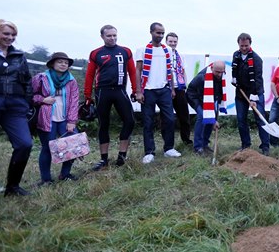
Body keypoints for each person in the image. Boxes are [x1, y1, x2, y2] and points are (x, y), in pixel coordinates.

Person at [0, 19, 33, 204]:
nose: (10, 37)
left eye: (13, 34)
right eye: (6, 33)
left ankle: (13, 187)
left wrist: (25, 103)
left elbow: (27, 81)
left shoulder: (19, 56)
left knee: (25, 144)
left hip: (15, 106)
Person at [84, 25, 138, 170]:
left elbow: (132, 72)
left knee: (130, 120)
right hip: (102, 92)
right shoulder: (96, 53)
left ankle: (122, 155)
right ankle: (104, 159)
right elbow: (89, 75)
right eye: (109, 36)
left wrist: (135, 90)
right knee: (104, 124)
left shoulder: (125, 51)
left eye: (115, 35)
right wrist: (87, 95)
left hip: (120, 91)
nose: (112, 38)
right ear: (102, 36)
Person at [135, 22, 182, 164]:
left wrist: (172, 88)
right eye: (158, 33)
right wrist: (138, 91)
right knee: (148, 122)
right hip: (148, 90)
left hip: (164, 90)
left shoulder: (167, 49)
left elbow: (170, 70)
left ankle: (169, 148)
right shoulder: (142, 49)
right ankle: (149, 152)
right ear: (151, 32)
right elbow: (138, 70)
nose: (160, 35)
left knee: (169, 119)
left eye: (162, 33)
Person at [32, 52, 80, 184]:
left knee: (73, 145)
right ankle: (46, 179)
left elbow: (75, 101)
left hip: (64, 118)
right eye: (60, 62)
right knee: (47, 148)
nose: (63, 64)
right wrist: (42, 99)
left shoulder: (71, 80)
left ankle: (65, 174)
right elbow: (30, 96)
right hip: (47, 118)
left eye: (66, 62)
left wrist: (72, 121)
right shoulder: (41, 78)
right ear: (52, 64)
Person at [231, 33, 270, 155]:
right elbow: (234, 70)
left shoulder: (256, 59)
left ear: (250, 44)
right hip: (241, 94)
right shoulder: (236, 55)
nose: (244, 48)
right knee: (241, 120)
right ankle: (246, 145)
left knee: (260, 119)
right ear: (238, 44)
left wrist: (253, 97)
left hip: (256, 92)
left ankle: (265, 146)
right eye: (241, 45)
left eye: (246, 45)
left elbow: (257, 79)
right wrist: (234, 79)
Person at [186, 61, 227, 155]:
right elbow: (203, 100)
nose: (220, 74)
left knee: (211, 117)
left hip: (209, 98)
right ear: (212, 68)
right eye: (217, 72)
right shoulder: (203, 78)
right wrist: (212, 119)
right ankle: (198, 147)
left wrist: (214, 118)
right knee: (203, 116)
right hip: (195, 97)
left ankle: (205, 144)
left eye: (222, 72)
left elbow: (218, 93)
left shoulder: (221, 75)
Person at [166, 32, 192, 146]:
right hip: (166, 88)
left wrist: (184, 86)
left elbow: (183, 70)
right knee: (167, 117)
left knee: (184, 116)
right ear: (166, 42)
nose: (172, 44)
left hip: (180, 88)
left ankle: (186, 140)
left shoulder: (180, 55)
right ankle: (168, 143)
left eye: (175, 41)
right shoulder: (163, 54)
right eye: (170, 41)